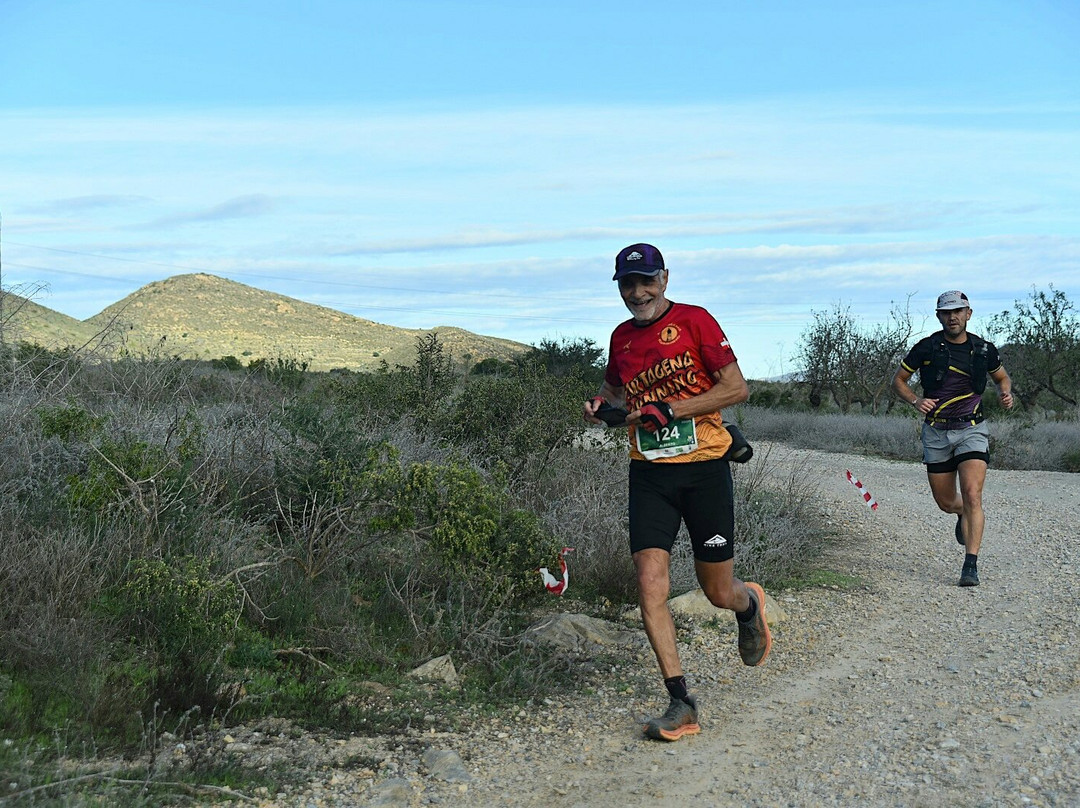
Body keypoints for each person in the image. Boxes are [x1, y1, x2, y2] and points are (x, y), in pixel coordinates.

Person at [583, 243, 770, 742]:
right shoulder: (620, 337)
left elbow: (736, 389)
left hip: (705, 468)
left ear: (664, 279)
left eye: (646, 281)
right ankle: (680, 701)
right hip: (649, 473)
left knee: (717, 591)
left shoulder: (696, 321)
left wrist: (675, 408)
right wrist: (602, 405)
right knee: (649, 582)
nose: (637, 293)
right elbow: (617, 392)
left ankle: (748, 606)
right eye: (628, 284)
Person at [892, 290, 1014, 587]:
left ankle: (970, 566)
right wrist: (914, 401)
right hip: (936, 431)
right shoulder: (926, 348)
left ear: (968, 314)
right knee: (947, 501)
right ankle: (961, 513)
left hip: (972, 428)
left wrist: (1005, 392)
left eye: (958, 311)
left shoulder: (984, 350)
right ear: (939, 316)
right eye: (946, 312)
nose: (953, 316)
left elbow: (1001, 377)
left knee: (973, 494)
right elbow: (898, 380)